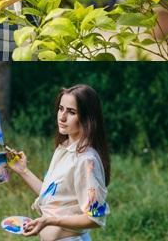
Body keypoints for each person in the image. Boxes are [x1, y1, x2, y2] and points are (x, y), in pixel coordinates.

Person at [8, 85, 110, 241]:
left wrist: (50, 220)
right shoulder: (64, 149)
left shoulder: (86, 160)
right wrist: (23, 171)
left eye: (71, 112)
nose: (62, 117)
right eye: (61, 109)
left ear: (87, 117)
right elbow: (54, 196)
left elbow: (94, 218)